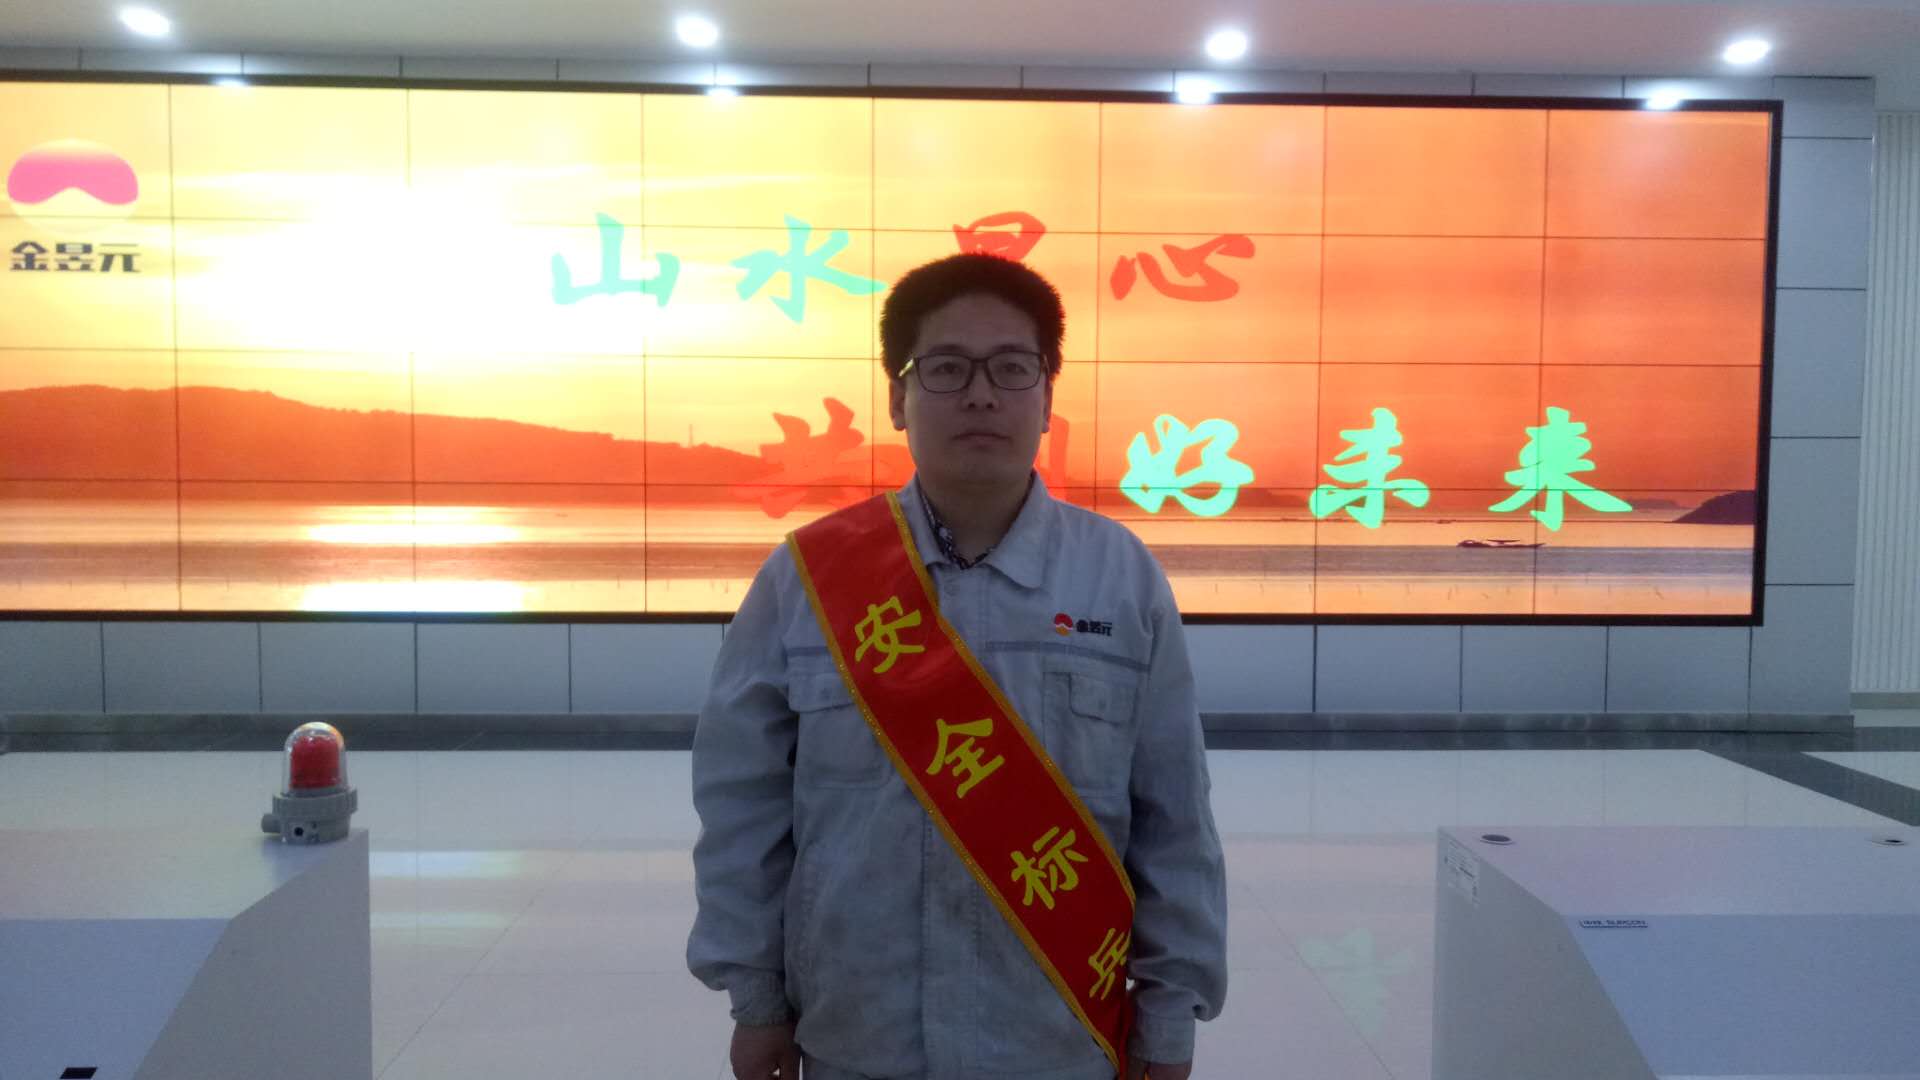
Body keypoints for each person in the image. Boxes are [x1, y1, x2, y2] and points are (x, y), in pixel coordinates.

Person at [688, 253, 1227, 1080]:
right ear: (897, 398)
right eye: (945, 368)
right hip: (859, 1037)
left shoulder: (1120, 577)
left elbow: (1174, 815)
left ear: (1047, 397)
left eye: (1011, 368)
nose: (980, 394)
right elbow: (742, 806)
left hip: (1059, 1041)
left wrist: (1170, 1019)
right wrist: (755, 997)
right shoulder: (807, 578)